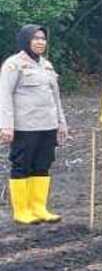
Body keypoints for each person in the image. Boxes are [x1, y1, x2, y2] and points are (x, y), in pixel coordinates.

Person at [0, 26, 68, 224]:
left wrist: (61, 123)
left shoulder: (47, 66)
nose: (40, 42)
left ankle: (39, 208)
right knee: (22, 165)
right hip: (24, 126)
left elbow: (55, 97)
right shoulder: (14, 65)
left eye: (43, 38)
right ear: (25, 41)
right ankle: (22, 211)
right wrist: (6, 126)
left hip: (47, 125)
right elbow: (4, 96)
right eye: (35, 38)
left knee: (42, 165)